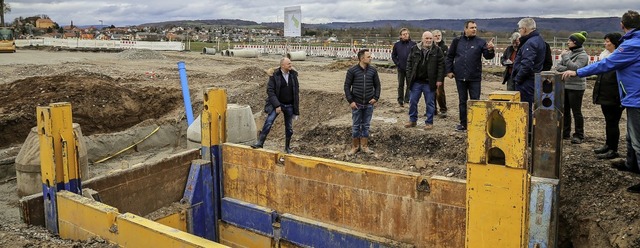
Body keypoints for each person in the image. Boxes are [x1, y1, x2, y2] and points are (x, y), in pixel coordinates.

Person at [562, 10, 640, 193]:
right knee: (631, 135)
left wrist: (578, 72)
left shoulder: (632, 45)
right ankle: (631, 164)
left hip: (636, 97)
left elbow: (606, 64)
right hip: (632, 96)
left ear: (622, 25)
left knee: (637, 138)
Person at [446, 20, 495, 131]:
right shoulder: (457, 41)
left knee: (475, 101)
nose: (474, 29)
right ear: (465, 29)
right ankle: (463, 124)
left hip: (474, 77)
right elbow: (449, 56)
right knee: (462, 101)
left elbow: (488, 56)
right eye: (472, 27)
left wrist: (491, 50)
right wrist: (449, 70)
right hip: (460, 77)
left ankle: (475, 123)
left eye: (475, 27)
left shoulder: (480, 42)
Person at [251, 57, 300, 154]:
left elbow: (296, 92)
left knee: (289, 128)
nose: (291, 65)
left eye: (290, 63)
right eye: (288, 64)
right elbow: (270, 91)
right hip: (277, 104)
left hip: (289, 105)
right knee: (268, 122)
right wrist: (277, 105)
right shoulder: (275, 76)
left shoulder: (293, 75)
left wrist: (295, 108)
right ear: (282, 65)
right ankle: (260, 143)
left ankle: (287, 148)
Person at [404, 31, 445, 130]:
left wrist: (439, 79)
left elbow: (441, 66)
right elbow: (409, 63)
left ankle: (429, 122)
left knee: (430, 103)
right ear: (422, 39)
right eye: (427, 38)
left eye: (430, 38)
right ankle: (412, 120)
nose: (429, 40)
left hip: (429, 82)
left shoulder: (437, 50)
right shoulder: (414, 49)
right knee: (413, 101)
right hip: (416, 81)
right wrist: (409, 76)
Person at [554, 31, 590, 144]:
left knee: (576, 111)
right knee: (565, 110)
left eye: (570, 40)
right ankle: (565, 132)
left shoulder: (583, 56)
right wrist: (568, 67)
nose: (568, 42)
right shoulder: (569, 54)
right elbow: (558, 67)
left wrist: (566, 59)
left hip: (576, 87)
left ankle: (579, 134)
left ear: (575, 42)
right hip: (565, 85)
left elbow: (576, 68)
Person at [592, 33, 624, 159]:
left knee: (613, 122)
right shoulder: (604, 56)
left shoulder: (618, 58)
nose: (605, 44)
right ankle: (608, 144)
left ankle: (613, 149)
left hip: (614, 96)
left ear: (615, 43)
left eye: (607, 41)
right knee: (608, 121)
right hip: (605, 94)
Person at [344, 49, 381, 155]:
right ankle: (355, 147)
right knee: (356, 126)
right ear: (362, 58)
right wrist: (351, 101)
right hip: (357, 104)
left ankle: (364, 146)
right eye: (368, 56)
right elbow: (347, 86)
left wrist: (376, 97)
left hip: (369, 104)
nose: (371, 58)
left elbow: (377, 85)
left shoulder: (373, 71)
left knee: (366, 125)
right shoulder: (352, 71)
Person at [512, 18, 547, 115]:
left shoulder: (530, 43)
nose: (519, 31)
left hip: (526, 81)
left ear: (524, 29)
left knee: (525, 108)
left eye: (519, 29)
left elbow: (527, 65)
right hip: (532, 78)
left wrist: (518, 78)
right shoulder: (539, 40)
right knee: (528, 107)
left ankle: (527, 130)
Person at [392, 28, 416, 107]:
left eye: (407, 34)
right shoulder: (397, 45)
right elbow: (393, 56)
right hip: (401, 68)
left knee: (409, 85)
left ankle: (407, 100)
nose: (405, 35)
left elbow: (416, 55)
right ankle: (400, 101)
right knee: (400, 85)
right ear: (400, 36)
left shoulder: (413, 44)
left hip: (410, 69)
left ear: (409, 34)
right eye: (403, 34)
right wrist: (397, 63)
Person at [432, 29, 448, 117]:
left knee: (439, 92)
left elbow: (445, 60)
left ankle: (443, 109)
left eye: (439, 36)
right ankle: (432, 109)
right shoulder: (430, 47)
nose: (438, 37)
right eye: (436, 36)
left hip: (440, 73)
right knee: (431, 91)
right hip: (431, 72)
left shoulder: (444, 47)